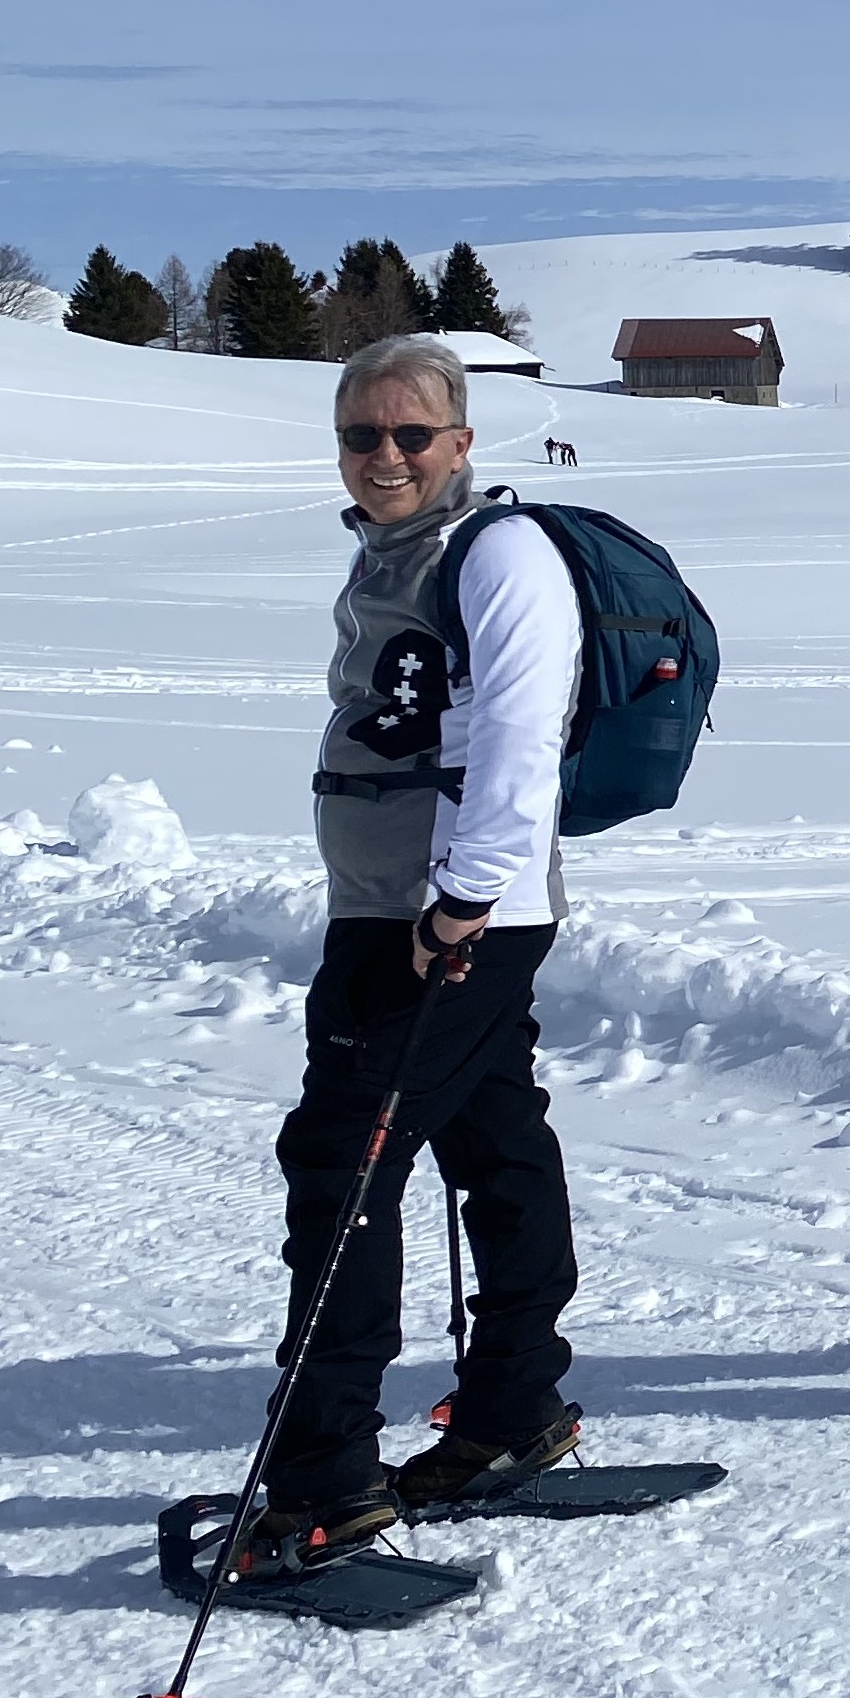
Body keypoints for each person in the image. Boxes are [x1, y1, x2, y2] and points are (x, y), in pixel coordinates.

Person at [257, 335, 590, 1566]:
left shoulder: (499, 553)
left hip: (445, 918)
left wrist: (458, 901)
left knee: (342, 1166)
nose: (385, 456)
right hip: (398, 906)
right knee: (496, 1138)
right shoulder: (389, 554)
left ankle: (324, 1477)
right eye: (361, 435)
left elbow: (516, 738)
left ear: (462, 441)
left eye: (411, 434)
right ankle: (512, 1409)